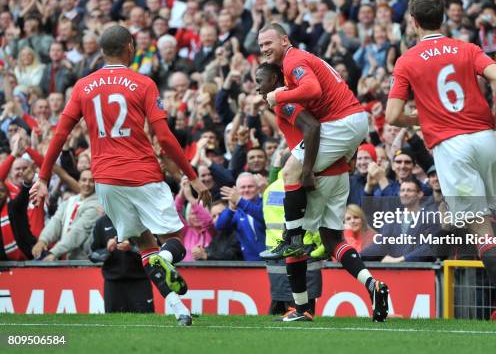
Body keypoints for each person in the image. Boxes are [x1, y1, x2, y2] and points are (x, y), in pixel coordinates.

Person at [29, 25, 210, 326]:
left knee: (143, 241)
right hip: (142, 173)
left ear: (101, 51)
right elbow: (164, 138)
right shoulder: (143, 83)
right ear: (129, 47)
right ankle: (164, 262)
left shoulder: (83, 86)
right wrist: (191, 175)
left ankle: (179, 310)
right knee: (175, 239)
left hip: (106, 180)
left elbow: (60, 134)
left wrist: (45, 178)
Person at [385, 0, 496, 334]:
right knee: (486, 220)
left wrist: (422, 118)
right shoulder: (466, 48)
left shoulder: (407, 60)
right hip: (485, 140)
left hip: (452, 146)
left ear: (413, 22)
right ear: (444, 19)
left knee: (478, 228)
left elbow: (393, 114)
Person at [255, 62, 389, 323]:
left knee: (294, 239)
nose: (257, 86)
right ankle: (373, 285)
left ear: (275, 79)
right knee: (332, 239)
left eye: (261, 80)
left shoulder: (286, 102)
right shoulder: (289, 100)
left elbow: (313, 127)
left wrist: (306, 170)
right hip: (338, 174)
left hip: (318, 175)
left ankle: (301, 308)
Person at [257, 23, 368, 259]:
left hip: (342, 122)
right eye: (261, 45)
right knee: (331, 239)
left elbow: (312, 90)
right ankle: (369, 282)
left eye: (269, 43)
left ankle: (294, 239)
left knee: (289, 173)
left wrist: (278, 96)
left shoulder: (292, 60)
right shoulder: (295, 61)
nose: (264, 48)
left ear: (285, 40)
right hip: (348, 123)